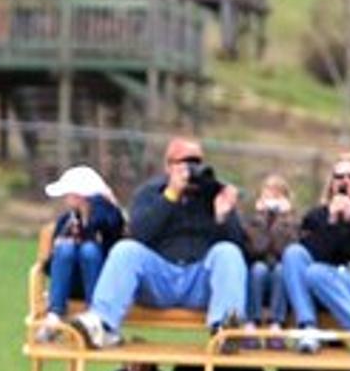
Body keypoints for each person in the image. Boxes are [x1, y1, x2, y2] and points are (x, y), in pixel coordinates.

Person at [70, 136, 248, 350]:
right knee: (126, 250)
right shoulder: (149, 193)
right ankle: (102, 325)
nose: (191, 168)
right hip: (159, 280)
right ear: (168, 166)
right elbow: (138, 233)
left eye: (196, 162)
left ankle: (225, 332)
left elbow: (239, 249)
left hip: (199, 281)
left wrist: (223, 217)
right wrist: (171, 195)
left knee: (227, 252)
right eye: (184, 162)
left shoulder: (213, 194)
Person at [280, 151, 350, 357]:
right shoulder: (317, 216)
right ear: (331, 183)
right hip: (321, 284)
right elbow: (314, 254)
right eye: (339, 177)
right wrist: (331, 221)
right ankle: (307, 327)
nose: (345, 182)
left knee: (317, 273)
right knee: (294, 254)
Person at [35, 164, 125, 342]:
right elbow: (50, 264)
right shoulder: (66, 222)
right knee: (66, 248)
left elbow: (114, 227)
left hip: (100, 284)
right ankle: (55, 314)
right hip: (70, 285)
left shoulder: (107, 220)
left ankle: (96, 316)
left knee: (89, 250)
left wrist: (102, 206)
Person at [243, 172, 300, 334]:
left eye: (277, 195)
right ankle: (251, 321)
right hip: (258, 275)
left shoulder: (293, 222)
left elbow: (284, 250)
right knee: (258, 269)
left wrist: (283, 220)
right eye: (268, 193)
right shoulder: (252, 221)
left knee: (281, 271)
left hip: (280, 278)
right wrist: (261, 218)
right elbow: (257, 248)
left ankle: (277, 322)